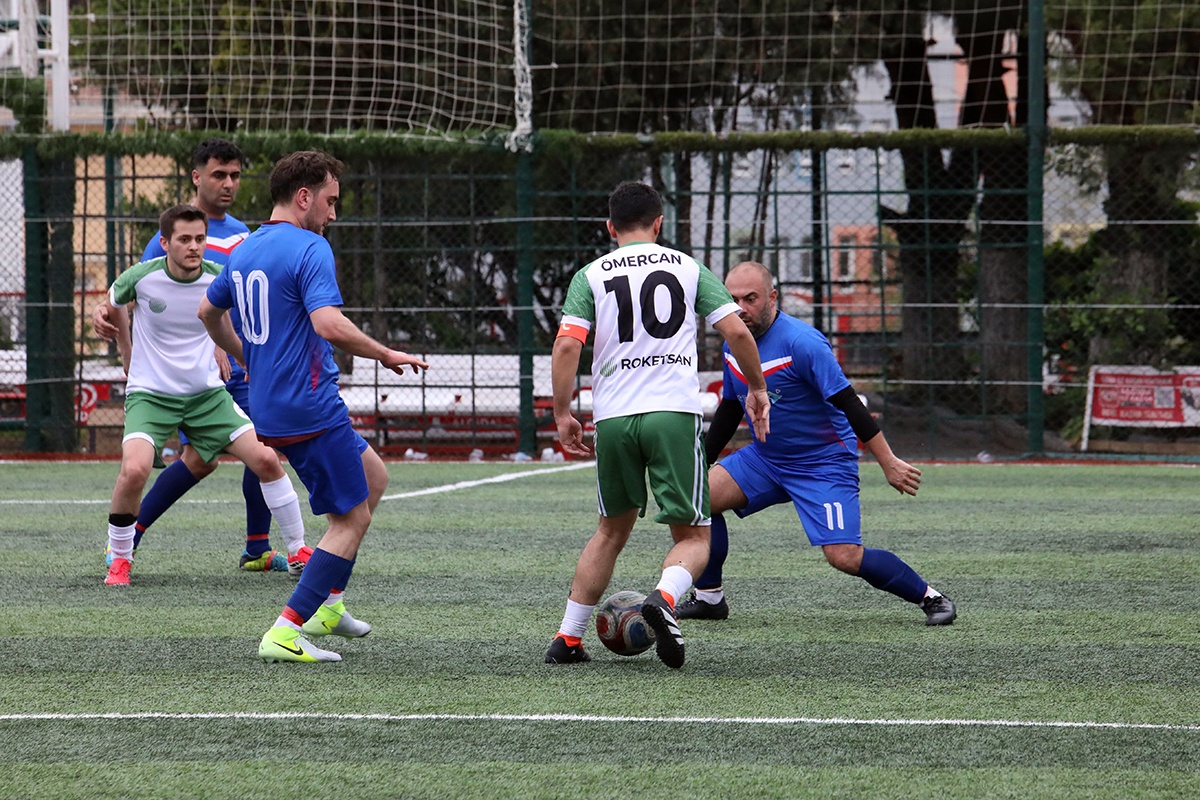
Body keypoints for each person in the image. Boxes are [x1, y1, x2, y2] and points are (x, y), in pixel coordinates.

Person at [199, 150, 429, 663]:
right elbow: (328, 324)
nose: (333, 213)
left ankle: (329, 605)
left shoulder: (246, 248)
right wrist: (386, 353)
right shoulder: (310, 247)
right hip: (308, 406)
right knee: (350, 521)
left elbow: (207, 311)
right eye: (330, 201)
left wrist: (247, 357)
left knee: (373, 478)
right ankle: (286, 629)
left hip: (273, 404)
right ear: (304, 197)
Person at [544, 181, 771, 669]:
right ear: (659, 223)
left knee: (610, 531)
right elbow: (735, 330)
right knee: (694, 537)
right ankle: (665, 599)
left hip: (614, 417)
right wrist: (757, 388)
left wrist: (563, 413)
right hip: (671, 414)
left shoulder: (590, 275)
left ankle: (567, 638)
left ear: (610, 227)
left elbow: (566, 346)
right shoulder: (686, 267)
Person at [675, 261, 957, 626]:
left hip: (822, 463)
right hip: (766, 459)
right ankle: (710, 598)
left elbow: (849, 402)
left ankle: (931, 597)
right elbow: (730, 407)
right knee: (698, 499)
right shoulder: (734, 343)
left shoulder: (803, 343)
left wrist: (888, 461)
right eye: (733, 299)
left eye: (751, 298)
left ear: (772, 298)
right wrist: (702, 463)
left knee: (844, 556)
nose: (741, 308)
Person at [93, 139, 303, 574]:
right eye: (218, 175)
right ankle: (129, 539)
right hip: (190, 373)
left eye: (235, 176)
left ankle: (258, 547)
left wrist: (243, 351)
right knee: (199, 461)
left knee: (263, 450)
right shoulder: (168, 238)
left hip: (237, 366)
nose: (228, 184)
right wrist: (114, 328)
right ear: (197, 177)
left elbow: (228, 299)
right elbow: (143, 295)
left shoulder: (244, 234)